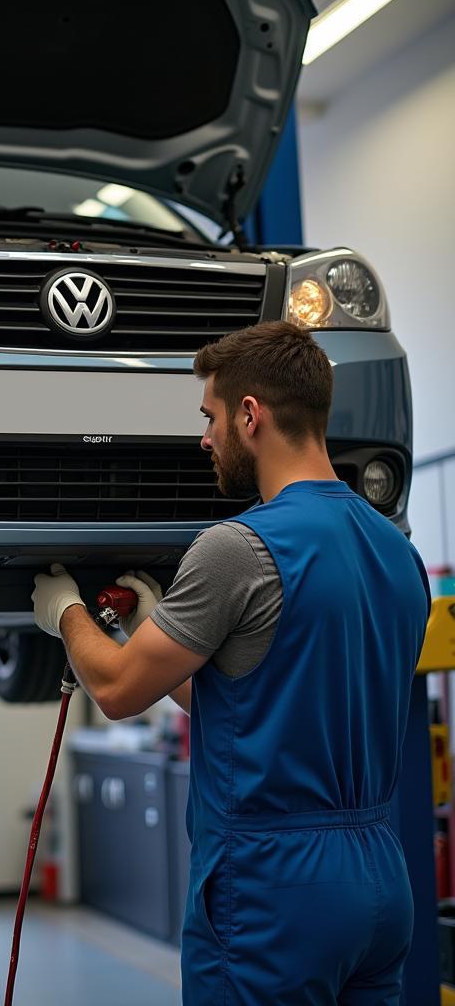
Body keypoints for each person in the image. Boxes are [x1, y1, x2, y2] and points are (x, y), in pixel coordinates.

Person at [31, 321, 431, 1004]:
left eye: (210, 416)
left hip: (272, 887)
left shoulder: (239, 548)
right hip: (379, 881)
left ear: (251, 415)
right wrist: (153, 623)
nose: (204, 437)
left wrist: (65, 611)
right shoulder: (399, 554)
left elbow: (119, 690)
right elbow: (257, 695)